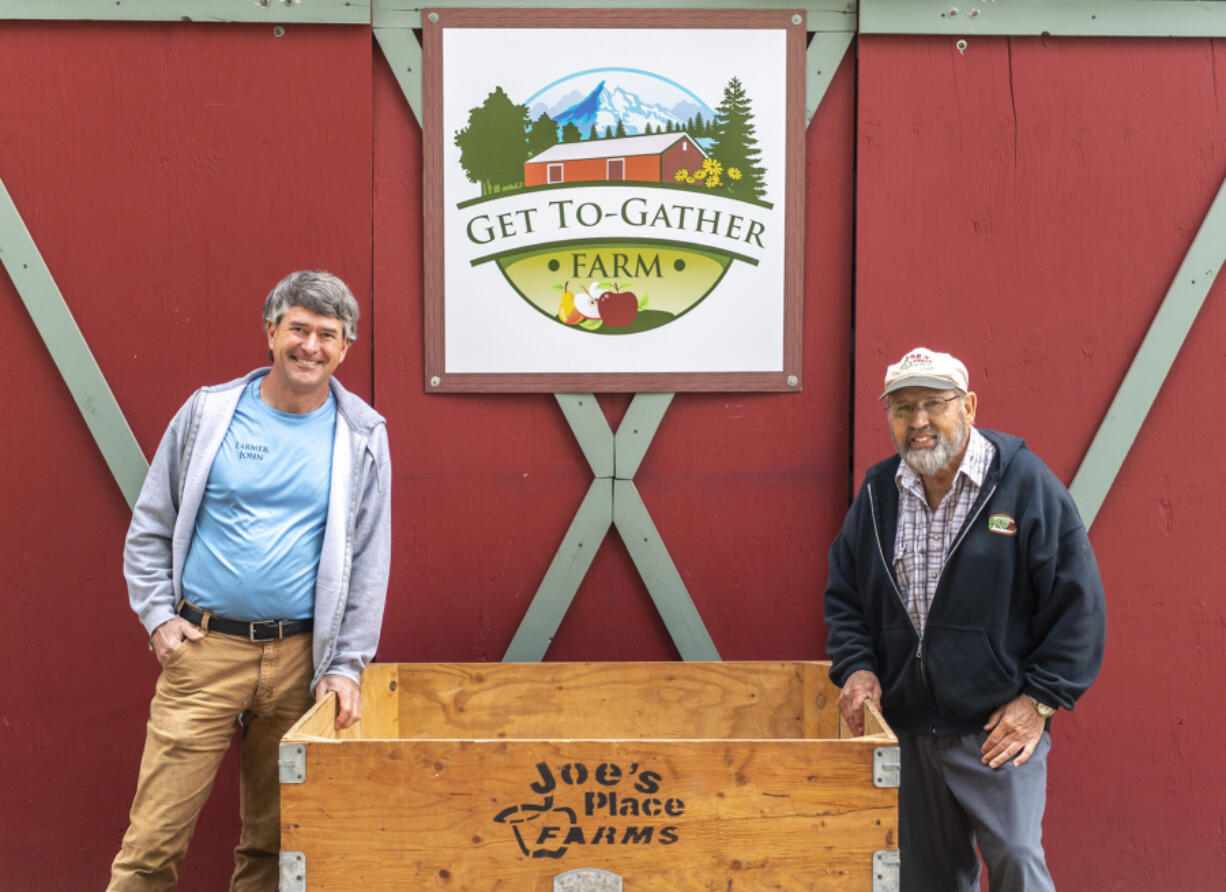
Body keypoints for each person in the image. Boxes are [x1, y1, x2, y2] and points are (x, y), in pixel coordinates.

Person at [108, 270, 392, 890]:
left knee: (275, 846)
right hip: (206, 654)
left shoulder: (363, 435)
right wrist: (159, 617)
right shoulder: (210, 413)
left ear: (345, 347)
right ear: (271, 332)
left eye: (327, 334)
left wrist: (345, 665)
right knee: (152, 845)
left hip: (301, 663)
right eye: (298, 328)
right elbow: (151, 522)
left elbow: (370, 559)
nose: (310, 346)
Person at [823, 347, 1106, 891]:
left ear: (969, 406)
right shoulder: (880, 492)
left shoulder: (1024, 484)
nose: (919, 422)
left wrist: (1040, 700)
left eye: (934, 403)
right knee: (925, 881)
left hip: (995, 732)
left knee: (1018, 863)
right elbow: (845, 594)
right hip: (907, 730)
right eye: (903, 408)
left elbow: (1080, 605)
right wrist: (857, 667)